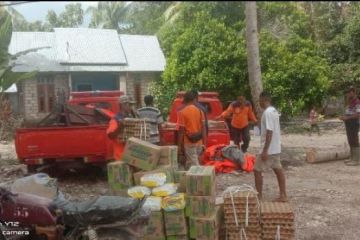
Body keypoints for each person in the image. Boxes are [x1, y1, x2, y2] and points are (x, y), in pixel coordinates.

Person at [254, 91, 288, 202]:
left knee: (257, 170)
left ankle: (258, 197)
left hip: (269, 149)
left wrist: (265, 150)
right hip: (276, 148)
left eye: (259, 100)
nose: (258, 102)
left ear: (264, 99)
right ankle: (283, 195)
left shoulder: (268, 112)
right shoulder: (274, 111)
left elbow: (270, 131)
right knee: (278, 170)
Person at [177, 91, 207, 169]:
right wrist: (205, 143)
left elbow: (181, 131)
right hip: (199, 142)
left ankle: (196, 179)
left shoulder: (182, 112)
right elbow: (204, 129)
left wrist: (179, 145)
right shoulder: (200, 112)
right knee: (192, 163)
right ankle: (189, 178)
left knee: (194, 166)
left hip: (189, 142)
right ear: (194, 100)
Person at [106, 95, 136, 160]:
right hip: (121, 157)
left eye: (132, 105)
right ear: (123, 105)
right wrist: (120, 127)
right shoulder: (115, 120)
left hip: (132, 156)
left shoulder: (131, 118)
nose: (131, 107)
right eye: (130, 105)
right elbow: (110, 135)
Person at [340, 86, 360, 166]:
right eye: (347, 93)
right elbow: (349, 112)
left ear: (353, 92)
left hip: (354, 123)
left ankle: (356, 159)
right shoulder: (350, 102)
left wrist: (347, 117)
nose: (348, 94)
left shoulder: (357, 102)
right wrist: (343, 117)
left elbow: (358, 114)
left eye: (349, 92)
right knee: (350, 139)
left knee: (354, 139)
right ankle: (352, 157)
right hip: (348, 122)